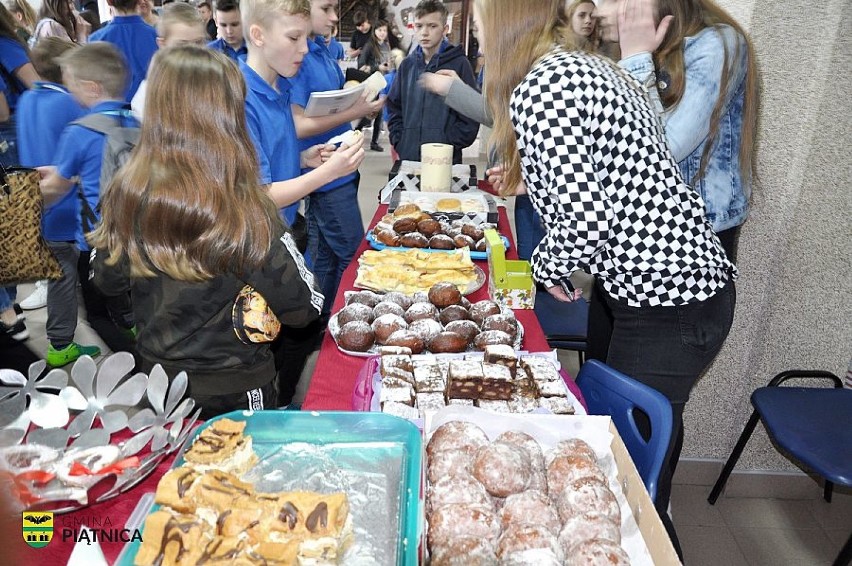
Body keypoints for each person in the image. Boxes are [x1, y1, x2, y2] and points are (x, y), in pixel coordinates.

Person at [476, 0, 737, 557]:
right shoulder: (588, 68)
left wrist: (542, 268)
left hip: (668, 301)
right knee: (626, 460)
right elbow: (619, 173)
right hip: (678, 291)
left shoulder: (543, 84)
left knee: (626, 489)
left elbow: (585, 222)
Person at [89, 46, 325, 418]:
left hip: (158, 382)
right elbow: (303, 307)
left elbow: (106, 279)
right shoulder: (247, 209)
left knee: (177, 472)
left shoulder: (126, 193)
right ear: (229, 117)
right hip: (238, 389)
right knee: (243, 472)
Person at [240, 0, 365, 405]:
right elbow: (257, 193)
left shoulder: (277, 88)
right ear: (257, 35)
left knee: (299, 331)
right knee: (271, 340)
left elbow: (270, 158)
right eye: (294, 38)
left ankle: (285, 399)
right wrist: (325, 174)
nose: (304, 49)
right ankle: (274, 405)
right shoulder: (241, 98)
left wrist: (302, 159)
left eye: (306, 38)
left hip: (283, 232)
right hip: (256, 244)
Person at [597, 0, 758, 264]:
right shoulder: (629, 46)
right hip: (633, 220)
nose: (601, 11)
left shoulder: (717, 44)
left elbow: (663, 152)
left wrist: (636, 59)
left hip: (690, 231)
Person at [38, 41, 139, 363]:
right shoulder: (138, 123)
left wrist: (25, 196)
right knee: (130, 300)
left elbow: (55, 187)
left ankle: (140, 361)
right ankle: (139, 331)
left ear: (92, 88)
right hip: (139, 237)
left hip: (98, 241)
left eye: (72, 87)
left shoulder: (79, 131)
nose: (71, 95)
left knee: (97, 313)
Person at [288, 0, 383, 318]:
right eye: (326, 9)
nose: (334, 17)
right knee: (351, 257)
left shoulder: (320, 50)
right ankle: (349, 326)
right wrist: (355, 110)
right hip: (326, 173)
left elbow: (326, 103)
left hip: (338, 165)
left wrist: (353, 97)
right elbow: (299, 124)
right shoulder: (298, 59)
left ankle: (323, 326)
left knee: (326, 257)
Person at [16, 37, 102, 367]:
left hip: (38, 202)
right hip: (68, 209)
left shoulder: (26, 100)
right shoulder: (69, 104)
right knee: (69, 279)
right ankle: (62, 343)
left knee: (58, 277)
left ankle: (60, 341)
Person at [386, 0, 480, 164]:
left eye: (432, 26)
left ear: (445, 29)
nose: (424, 32)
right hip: (409, 158)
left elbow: (470, 115)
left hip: (445, 162)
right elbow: (394, 107)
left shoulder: (459, 64)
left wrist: (447, 143)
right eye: (419, 26)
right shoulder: (407, 65)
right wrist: (400, 140)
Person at [131, 2, 206, 118]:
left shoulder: (214, 84)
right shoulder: (148, 95)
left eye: (198, 42)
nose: (193, 51)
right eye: (182, 45)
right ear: (162, 44)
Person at [88, 0, 158, 102]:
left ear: (109, 2)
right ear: (139, 1)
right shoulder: (156, 36)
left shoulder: (95, 39)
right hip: (149, 104)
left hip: (111, 107)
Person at [357, 19, 392, 151]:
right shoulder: (370, 45)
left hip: (383, 83)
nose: (382, 33)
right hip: (372, 83)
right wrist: (378, 67)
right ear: (375, 31)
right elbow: (361, 65)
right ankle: (356, 132)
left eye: (384, 30)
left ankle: (374, 141)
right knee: (369, 113)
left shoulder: (386, 45)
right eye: (380, 30)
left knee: (379, 112)